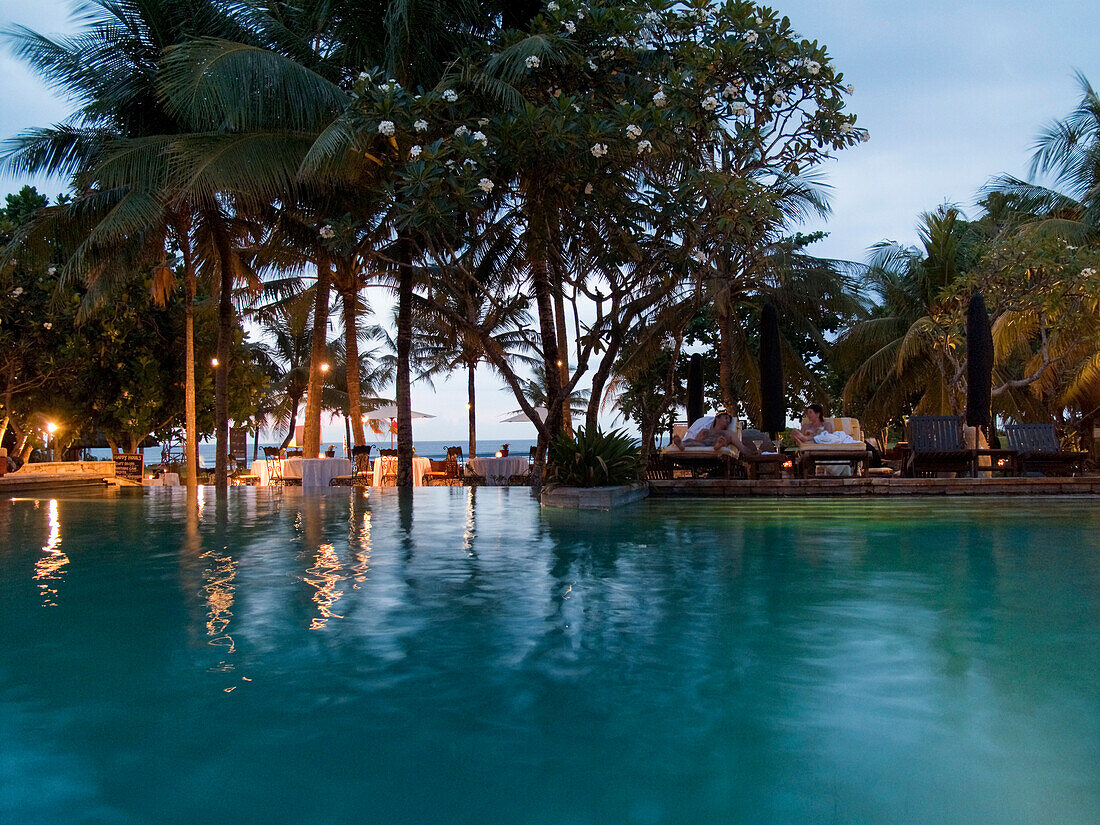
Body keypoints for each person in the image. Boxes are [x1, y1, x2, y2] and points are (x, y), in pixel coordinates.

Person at [670, 412, 775, 454]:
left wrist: (753, 453)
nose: (728, 421)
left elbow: (741, 447)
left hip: (717, 445)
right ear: (717, 418)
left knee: (720, 441)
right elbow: (696, 441)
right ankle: (682, 444)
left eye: (729, 419)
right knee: (690, 441)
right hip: (703, 445)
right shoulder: (705, 430)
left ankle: (718, 445)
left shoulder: (729, 433)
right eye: (725, 418)